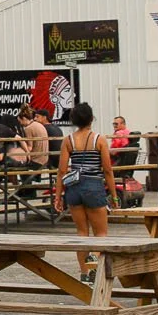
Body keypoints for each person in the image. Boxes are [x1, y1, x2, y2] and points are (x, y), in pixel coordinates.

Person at [54, 103, 116, 278]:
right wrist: (114, 196)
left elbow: (61, 170)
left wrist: (58, 196)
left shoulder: (68, 140)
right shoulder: (99, 139)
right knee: (101, 233)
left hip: (74, 187)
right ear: (91, 119)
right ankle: (95, 264)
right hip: (94, 186)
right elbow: (108, 170)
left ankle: (84, 272)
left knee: (82, 232)